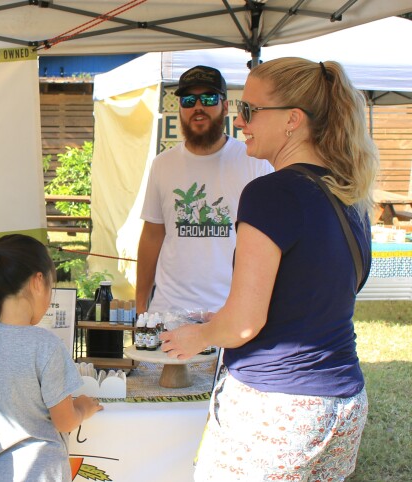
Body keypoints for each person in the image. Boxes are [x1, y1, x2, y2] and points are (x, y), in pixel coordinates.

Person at [160, 58, 376, 481]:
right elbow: (308, 298)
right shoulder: (349, 191)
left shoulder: (270, 192)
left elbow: (244, 325)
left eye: (251, 110)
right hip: (343, 402)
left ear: (293, 120)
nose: (241, 122)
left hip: (277, 407)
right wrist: (217, 320)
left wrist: (198, 336)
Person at [0, 234, 102, 481]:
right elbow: (64, 421)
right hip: (36, 472)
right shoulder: (46, 345)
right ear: (38, 281)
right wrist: (84, 407)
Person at [136, 65, 273, 315]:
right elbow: (152, 236)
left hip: (229, 312)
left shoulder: (255, 162)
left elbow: (270, 242)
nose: (197, 107)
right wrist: (139, 304)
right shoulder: (162, 165)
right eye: (188, 100)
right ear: (179, 108)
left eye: (208, 98)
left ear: (224, 105)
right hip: (168, 312)